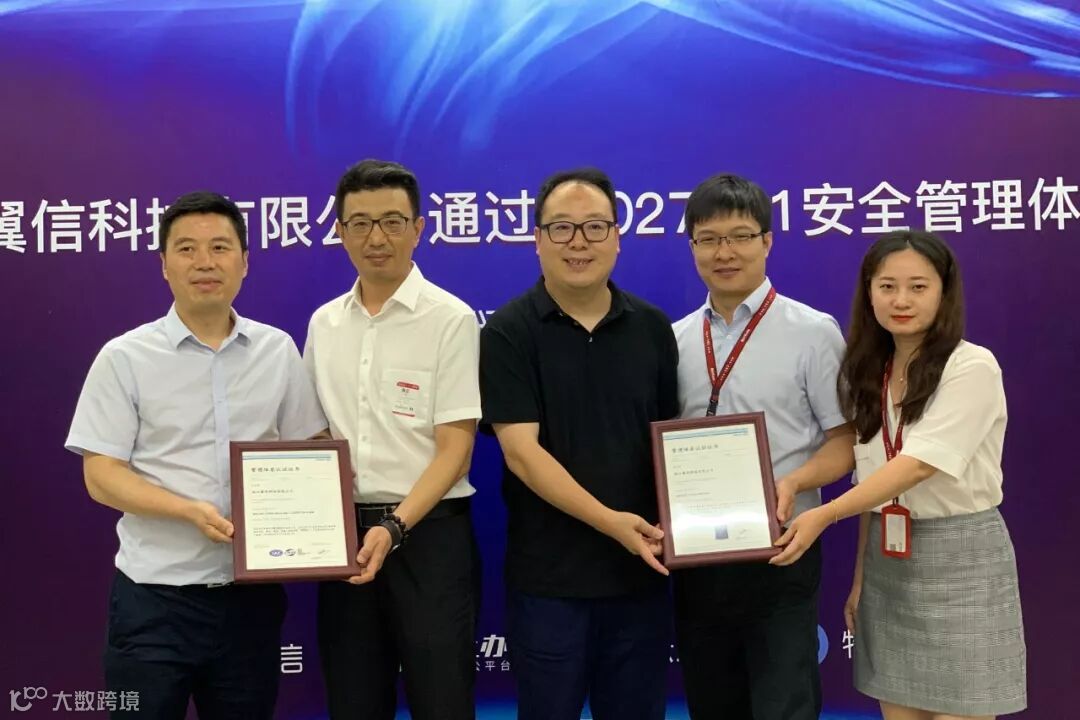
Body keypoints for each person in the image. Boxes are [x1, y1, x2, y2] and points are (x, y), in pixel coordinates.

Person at [64, 191, 328, 720]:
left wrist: (323, 502)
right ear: (164, 264)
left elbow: (311, 446)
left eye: (220, 247)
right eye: (186, 249)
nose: (204, 262)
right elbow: (101, 475)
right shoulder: (125, 357)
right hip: (154, 600)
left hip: (249, 600)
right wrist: (186, 510)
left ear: (245, 261)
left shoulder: (277, 350)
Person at [773, 229, 1027, 719]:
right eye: (887, 286)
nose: (901, 300)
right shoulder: (870, 372)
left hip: (963, 562)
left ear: (944, 292)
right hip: (889, 563)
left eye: (918, 286)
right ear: (869, 293)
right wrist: (862, 578)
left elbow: (917, 465)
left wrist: (824, 514)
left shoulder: (971, 366)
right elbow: (875, 484)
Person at [479, 167, 679, 720]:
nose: (579, 243)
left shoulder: (652, 328)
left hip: (639, 575)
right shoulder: (508, 332)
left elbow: (670, 445)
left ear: (617, 237)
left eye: (594, 227)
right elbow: (521, 453)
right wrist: (611, 522)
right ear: (537, 239)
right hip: (549, 583)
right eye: (561, 228)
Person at [670, 173, 856, 720]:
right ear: (692, 246)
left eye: (740, 236)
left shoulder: (813, 332)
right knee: (712, 703)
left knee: (784, 704)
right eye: (708, 239)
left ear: (767, 241)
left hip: (782, 550)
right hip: (699, 558)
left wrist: (794, 482)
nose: (724, 252)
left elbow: (845, 442)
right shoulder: (675, 339)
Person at [305, 159, 482, 720]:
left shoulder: (450, 319)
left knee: (442, 700)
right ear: (340, 231)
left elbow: (456, 449)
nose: (375, 238)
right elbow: (314, 431)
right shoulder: (324, 324)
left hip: (428, 538)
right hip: (344, 542)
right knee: (353, 701)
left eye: (391, 222)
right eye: (359, 223)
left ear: (418, 228)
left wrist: (395, 526)